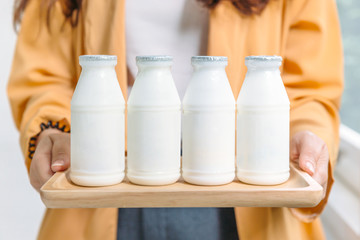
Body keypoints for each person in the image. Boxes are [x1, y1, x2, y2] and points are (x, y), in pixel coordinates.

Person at [8, 0, 343, 239]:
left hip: (240, 188)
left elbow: (309, 85)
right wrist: (52, 129)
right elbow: (44, 78)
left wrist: (305, 133)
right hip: (111, 179)